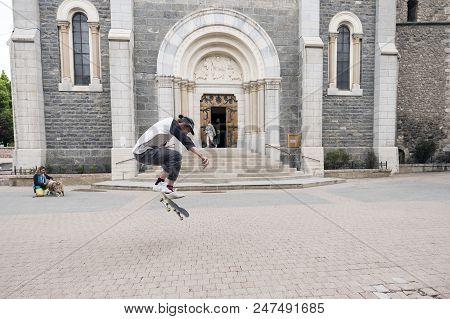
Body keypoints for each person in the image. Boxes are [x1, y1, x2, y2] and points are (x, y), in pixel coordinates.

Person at [132, 115, 209, 199]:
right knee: (176, 156)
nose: (187, 133)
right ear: (183, 124)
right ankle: (159, 183)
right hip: (142, 152)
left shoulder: (168, 129)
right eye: (188, 130)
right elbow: (186, 141)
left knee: (176, 160)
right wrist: (202, 156)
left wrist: (167, 167)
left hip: (147, 152)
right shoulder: (172, 124)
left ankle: (170, 188)